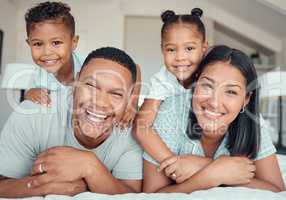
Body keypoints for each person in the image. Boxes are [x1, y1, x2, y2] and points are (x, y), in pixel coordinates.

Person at [0, 47, 143, 198]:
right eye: (91, 85)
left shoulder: (132, 129)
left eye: (116, 94)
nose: (100, 102)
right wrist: (46, 187)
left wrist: (90, 166)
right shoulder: (32, 112)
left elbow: (132, 194)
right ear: (75, 83)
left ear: (129, 101)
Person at [143, 45, 285, 193]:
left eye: (231, 92)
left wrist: (206, 166)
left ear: (246, 99)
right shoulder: (171, 110)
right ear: (196, 82)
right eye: (207, 86)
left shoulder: (253, 121)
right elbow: (152, 194)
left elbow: (276, 190)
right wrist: (212, 175)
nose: (214, 103)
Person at [24, 1, 139, 126]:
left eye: (56, 43)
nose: (47, 52)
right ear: (29, 43)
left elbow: (136, 69)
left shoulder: (88, 64)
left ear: (73, 42)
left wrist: (132, 103)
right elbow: (29, 94)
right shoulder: (38, 75)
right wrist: (30, 93)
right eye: (38, 44)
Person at [133, 8, 208, 169]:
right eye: (171, 50)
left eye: (189, 48)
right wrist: (175, 163)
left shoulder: (212, 73)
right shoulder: (162, 80)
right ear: (162, 50)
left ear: (204, 48)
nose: (180, 57)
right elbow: (141, 127)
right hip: (172, 147)